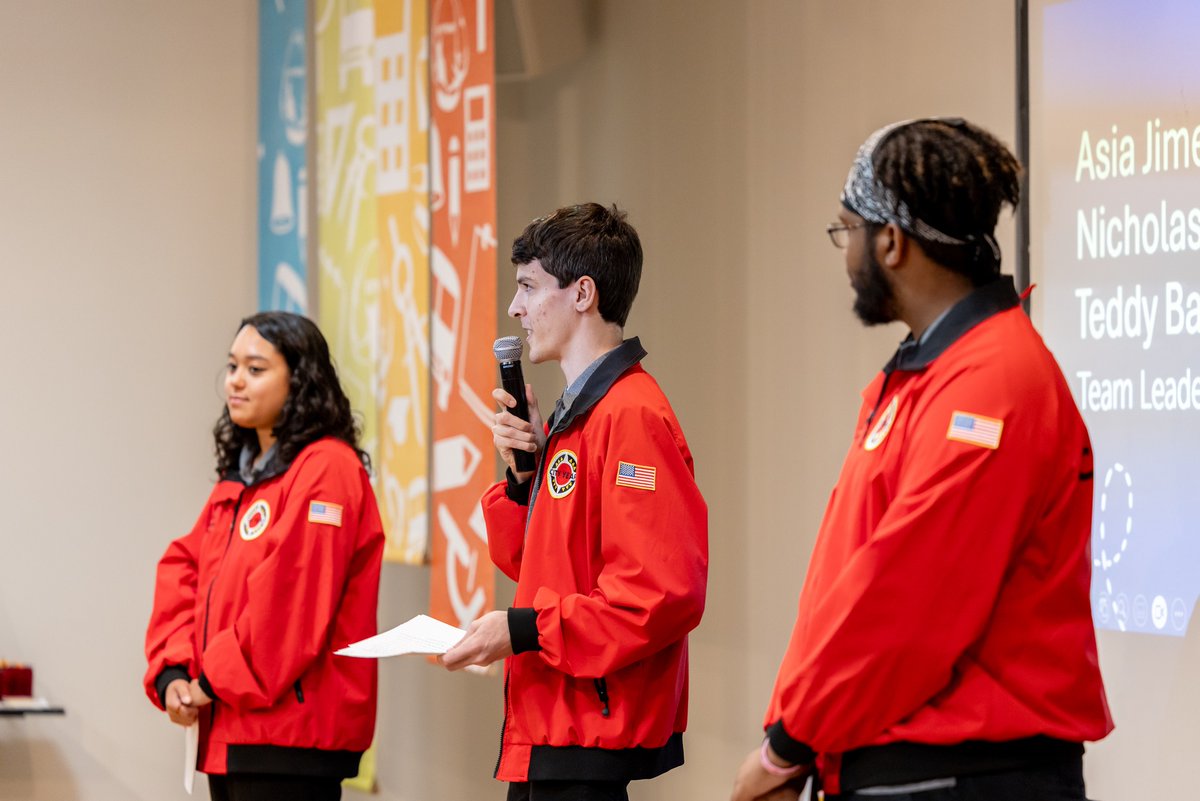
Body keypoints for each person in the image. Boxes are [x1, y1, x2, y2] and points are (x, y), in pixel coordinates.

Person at [730, 118, 1113, 801]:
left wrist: (787, 745)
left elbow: (906, 599)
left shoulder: (992, 380)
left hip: (963, 775)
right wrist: (791, 733)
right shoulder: (926, 375)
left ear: (891, 241)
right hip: (903, 762)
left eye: (846, 230)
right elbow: (845, 588)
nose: (845, 251)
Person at [440, 202, 709, 801]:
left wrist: (524, 628)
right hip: (554, 716)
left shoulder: (631, 415)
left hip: (586, 720)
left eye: (529, 287)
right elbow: (543, 565)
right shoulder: (580, 415)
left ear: (582, 292)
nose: (515, 309)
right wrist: (523, 478)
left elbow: (659, 592)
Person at [144, 311, 384, 801]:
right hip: (231, 728)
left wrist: (208, 682)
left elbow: (289, 607)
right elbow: (183, 570)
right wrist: (173, 673)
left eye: (255, 369)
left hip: (290, 737)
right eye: (232, 367)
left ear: (300, 380)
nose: (235, 381)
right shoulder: (245, 477)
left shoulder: (327, 469)